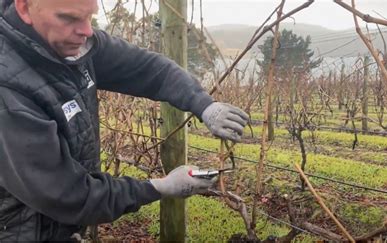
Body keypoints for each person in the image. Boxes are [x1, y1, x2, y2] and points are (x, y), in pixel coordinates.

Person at [0, 0, 249, 241]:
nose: (87, 30)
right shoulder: (8, 91)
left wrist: (204, 105)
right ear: (24, 7)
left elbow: (149, 69)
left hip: (56, 225)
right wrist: (159, 187)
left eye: (90, 15)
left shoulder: (72, 43)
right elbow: (67, 194)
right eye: (69, 18)